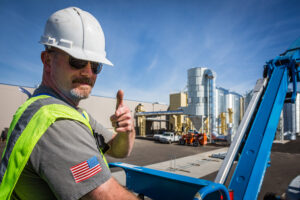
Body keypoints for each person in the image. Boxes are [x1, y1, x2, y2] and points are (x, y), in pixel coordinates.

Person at [0, 7, 138, 200]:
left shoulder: (76, 114)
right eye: (78, 61)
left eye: (95, 65)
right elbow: (105, 196)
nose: (88, 73)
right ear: (47, 60)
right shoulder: (55, 121)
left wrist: (126, 130)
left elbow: (119, 150)